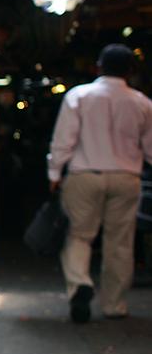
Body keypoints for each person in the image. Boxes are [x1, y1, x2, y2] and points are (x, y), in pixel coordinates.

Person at [48, 43, 152, 323]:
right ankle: (115, 305)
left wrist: (54, 174)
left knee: (79, 235)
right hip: (127, 178)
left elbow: (63, 140)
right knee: (120, 242)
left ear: (98, 66)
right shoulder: (142, 103)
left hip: (85, 175)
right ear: (131, 71)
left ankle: (80, 284)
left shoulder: (79, 96)